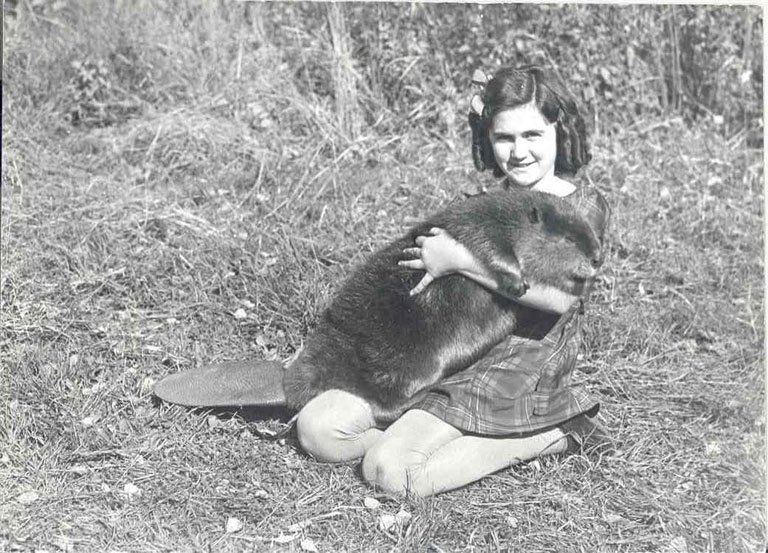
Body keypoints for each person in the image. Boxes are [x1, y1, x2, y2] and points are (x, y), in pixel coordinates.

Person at [295, 65, 611, 497]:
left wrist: (459, 260)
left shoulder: (579, 207)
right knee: (318, 430)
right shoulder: (485, 205)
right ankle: (402, 443)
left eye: (532, 135)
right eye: (505, 138)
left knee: (392, 474)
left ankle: (549, 434)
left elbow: (561, 300)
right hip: (452, 354)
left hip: (516, 368)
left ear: (559, 130)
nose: (518, 152)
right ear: (489, 140)